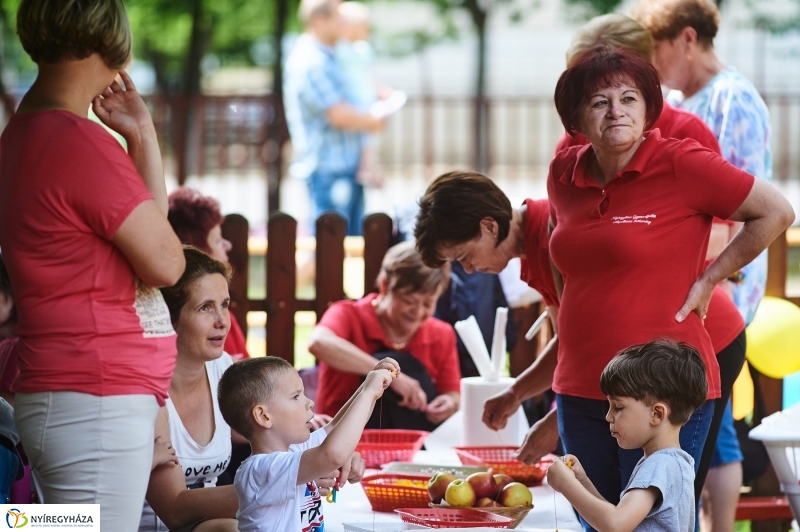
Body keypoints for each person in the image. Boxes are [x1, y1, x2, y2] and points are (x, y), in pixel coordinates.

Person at [547, 46, 793, 531]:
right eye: (599, 102)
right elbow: (565, 259)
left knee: (654, 521)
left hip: (661, 386)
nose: (616, 111)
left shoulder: (681, 162)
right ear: (576, 116)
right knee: (591, 520)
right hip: (578, 381)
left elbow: (777, 211)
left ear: (648, 107)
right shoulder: (563, 172)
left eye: (629, 98)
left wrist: (711, 277)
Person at [0, 1, 185, 529]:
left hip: (76, 393)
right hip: (94, 394)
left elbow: (150, 234)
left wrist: (141, 135)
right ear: (113, 41)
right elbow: (167, 263)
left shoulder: (26, 135)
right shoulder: (74, 142)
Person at [631, 2, 775, 528]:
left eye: (656, 50)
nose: (650, 64)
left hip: (721, 284)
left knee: (711, 418)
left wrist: (721, 278)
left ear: (686, 39)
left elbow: (739, 205)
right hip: (696, 283)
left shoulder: (731, 100)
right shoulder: (678, 98)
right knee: (711, 419)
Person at [217, 355, 398, 532]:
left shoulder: (295, 450)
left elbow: (335, 427)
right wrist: (368, 393)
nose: (310, 402)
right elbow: (332, 454)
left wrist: (369, 387)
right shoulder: (259, 471)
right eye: (296, 396)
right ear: (264, 416)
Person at [547, 340, 709, 532]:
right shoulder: (670, 462)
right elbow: (620, 516)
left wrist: (566, 485)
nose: (608, 416)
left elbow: (615, 525)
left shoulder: (659, 465)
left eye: (619, 407)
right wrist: (581, 481)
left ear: (656, 414)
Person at [139, 247, 239, 532]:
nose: (222, 320)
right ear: (170, 319)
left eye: (225, 304)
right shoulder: (144, 385)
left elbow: (273, 424)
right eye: (205, 307)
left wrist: (325, 450)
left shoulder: (222, 366)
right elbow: (174, 509)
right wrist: (272, 485)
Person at [309, 242, 460, 430]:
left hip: (412, 444)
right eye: (409, 301)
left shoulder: (441, 334)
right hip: (338, 438)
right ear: (385, 286)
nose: (418, 311)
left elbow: (453, 393)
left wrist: (448, 404)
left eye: (428, 304)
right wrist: (390, 375)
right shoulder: (347, 314)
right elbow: (319, 342)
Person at [284, 0, 384, 236]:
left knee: (346, 247)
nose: (344, 21)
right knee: (331, 250)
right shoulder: (311, 61)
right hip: (328, 169)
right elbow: (339, 115)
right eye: (338, 15)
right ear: (320, 20)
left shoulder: (331, 56)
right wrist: (375, 120)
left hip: (341, 166)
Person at [167, 187, 249, 361]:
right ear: (198, 252)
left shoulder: (223, 315)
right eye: (218, 240)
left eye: (224, 305)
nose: (228, 246)